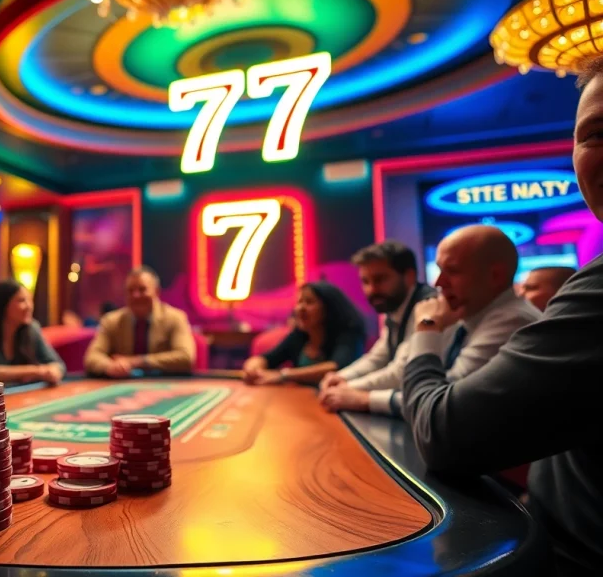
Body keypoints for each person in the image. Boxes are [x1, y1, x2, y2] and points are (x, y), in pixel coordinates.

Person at [399, 62, 603, 576]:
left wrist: (426, 334)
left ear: (496, 275)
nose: (439, 285)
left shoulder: (512, 315)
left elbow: (446, 432)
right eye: (594, 134)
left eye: (452, 271)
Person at [317, 241, 438, 414]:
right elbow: (378, 357)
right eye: (365, 281)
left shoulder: (428, 306)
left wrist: (346, 387)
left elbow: (401, 372)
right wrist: (341, 377)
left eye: (380, 279)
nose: (371, 290)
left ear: (409, 276)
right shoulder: (395, 307)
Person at [242, 281, 366, 385]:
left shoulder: (349, 333)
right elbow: (267, 359)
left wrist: (284, 375)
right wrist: (253, 367)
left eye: (309, 302)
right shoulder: (299, 335)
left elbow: (337, 367)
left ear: (328, 308)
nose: (301, 308)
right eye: (299, 302)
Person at [84, 267, 196, 378]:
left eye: (142, 290)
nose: (136, 295)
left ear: (156, 292)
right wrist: (110, 366)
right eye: (130, 291)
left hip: (166, 387)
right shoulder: (111, 321)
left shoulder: (175, 318)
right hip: (122, 386)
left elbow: (185, 357)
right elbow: (92, 357)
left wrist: (136, 362)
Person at [0, 279, 65, 386]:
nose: (29, 306)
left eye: (30, 300)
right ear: (3, 305)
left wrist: (53, 372)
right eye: (21, 300)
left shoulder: (31, 329)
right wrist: (35, 371)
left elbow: (58, 365)